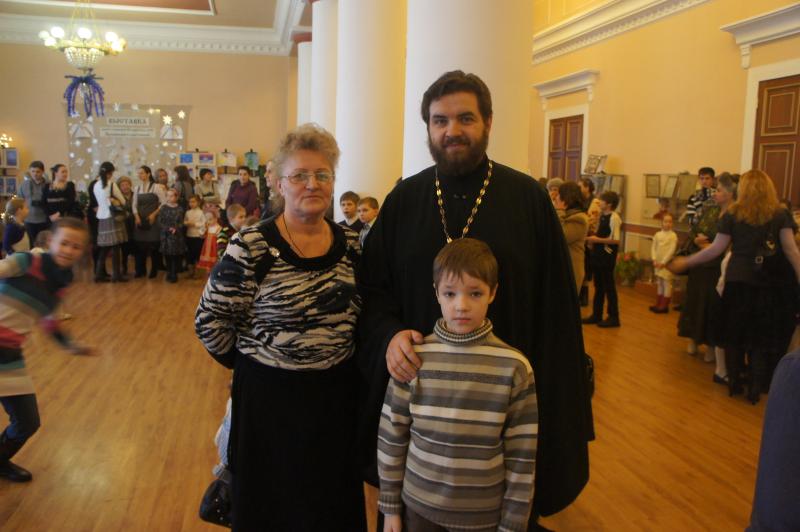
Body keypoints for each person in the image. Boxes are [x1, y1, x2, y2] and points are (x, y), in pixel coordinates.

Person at [358, 70, 593, 527]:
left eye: (465, 118)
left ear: (488, 122)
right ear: (428, 127)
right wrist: (388, 336)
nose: (452, 131)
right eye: (440, 120)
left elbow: (555, 311)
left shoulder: (527, 199)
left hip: (503, 415)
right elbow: (372, 290)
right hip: (423, 416)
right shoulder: (404, 200)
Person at [195, 123, 366, 531]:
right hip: (268, 404)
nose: (312, 184)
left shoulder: (351, 244)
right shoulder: (251, 246)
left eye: (322, 174)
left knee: (329, 507)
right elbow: (210, 321)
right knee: (272, 509)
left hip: (335, 400)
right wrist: (255, 361)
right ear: (278, 183)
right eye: (300, 175)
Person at [379, 238, 538, 532]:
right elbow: (392, 434)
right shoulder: (414, 358)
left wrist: (514, 522)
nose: (461, 306)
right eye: (450, 293)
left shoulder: (514, 367)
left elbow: (522, 454)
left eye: (475, 293)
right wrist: (390, 507)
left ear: (493, 293)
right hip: (419, 509)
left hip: (483, 515)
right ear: (436, 292)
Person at [669, 170, 800, 404]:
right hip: (767, 284)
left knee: (735, 335)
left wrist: (687, 261)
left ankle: (734, 383)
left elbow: (715, 249)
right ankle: (755, 387)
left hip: (738, 281)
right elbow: (791, 251)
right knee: (760, 338)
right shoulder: (780, 214)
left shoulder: (733, 214)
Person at [0, 217, 92, 482]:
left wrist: (70, 345)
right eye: (64, 243)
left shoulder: (62, 280)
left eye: (76, 246)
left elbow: (49, 319)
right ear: (51, 241)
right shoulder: (26, 261)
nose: (68, 250)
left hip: (10, 355)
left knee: (27, 422)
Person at [677, 174, 736, 375]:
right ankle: (693, 338)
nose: (715, 193)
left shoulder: (735, 215)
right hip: (700, 265)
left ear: (729, 194)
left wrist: (709, 247)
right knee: (695, 302)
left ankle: (711, 345)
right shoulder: (710, 210)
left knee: (712, 306)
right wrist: (697, 240)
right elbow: (695, 230)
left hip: (718, 268)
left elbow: (732, 244)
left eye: (719, 190)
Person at [583, 190, 622, 328]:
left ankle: (614, 316)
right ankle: (596, 314)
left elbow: (615, 240)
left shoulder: (614, 217)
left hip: (607, 257)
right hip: (599, 256)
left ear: (609, 204)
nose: (600, 203)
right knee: (598, 286)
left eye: (602, 201)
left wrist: (596, 240)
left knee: (609, 287)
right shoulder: (602, 216)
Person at [93, 162, 128, 283]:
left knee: (104, 248)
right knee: (116, 247)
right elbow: (123, 201)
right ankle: (116, 275)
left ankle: (98, 274)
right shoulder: (112, 184)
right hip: (113, 217)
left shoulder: (96, 185)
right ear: (110, 172)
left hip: (101, 218)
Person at [554, 181, 588, 294]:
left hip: (571, 270)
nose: (556, 198)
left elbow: (561, 236)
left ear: (566, 198)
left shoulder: (579, 218)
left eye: (559, 194)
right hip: (562, 268)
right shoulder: (568, 214)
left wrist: (559, 210)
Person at [132, 165, 166, 279]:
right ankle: (140, 270)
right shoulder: (137, 188)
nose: (140, 175)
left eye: (142, 173)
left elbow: (164, 203)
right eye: (139, 173)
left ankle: (154, 270)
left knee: (153, 246)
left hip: (153, 220)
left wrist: (154, 214)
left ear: (148, 174)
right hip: (140, 219)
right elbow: (134, 205)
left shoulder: (156, 187)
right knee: (140, 246)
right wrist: (136, 216)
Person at [649, 213, 678, 313]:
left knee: (666, 283)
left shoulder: (673, 235)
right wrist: (654, 259)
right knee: (660, 282)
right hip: (657, 263)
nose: (668, 223)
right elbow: (653, 247)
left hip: (667, 264)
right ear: (662, 222)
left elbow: (671, 250)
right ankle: (658, 303)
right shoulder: (657, 234)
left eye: (670, 221)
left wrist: (664, 262)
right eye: (665, 221)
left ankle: (664, 306)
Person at [579, 177, 601, 307]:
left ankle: (585, 296)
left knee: (587, 267)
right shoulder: (581, 200)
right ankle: (581, 294)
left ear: (587, 187)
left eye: (581, 186)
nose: (579, 189)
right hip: (583, 237)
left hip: (590, 238)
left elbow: (592, 220)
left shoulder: (595, 202)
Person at [158, 188, 186, 284]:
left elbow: (182, 222)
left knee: (174, 255)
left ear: (176, 197)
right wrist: (168, 228)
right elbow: (160, 221)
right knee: (167, 255)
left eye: (172, 196)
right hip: (165, 235)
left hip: (176, 235)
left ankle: (174, 273)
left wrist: (176, 228)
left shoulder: (180, 209)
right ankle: (169, 272)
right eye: (168, 196)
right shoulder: (163, 208)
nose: (169, 198)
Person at [18, 161, 50, 245]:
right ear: (30, 171)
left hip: (44, 219)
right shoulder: (23, 185)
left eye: (38, 171)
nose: (35, 174)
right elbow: (20, 201)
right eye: (33, 171)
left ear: (42, 172)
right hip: (29, 219)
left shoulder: (48, 185)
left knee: (44, 244)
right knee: (31, 244)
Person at [117, 176, 136, 277]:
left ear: (130, 185)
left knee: (136, 247)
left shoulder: (135, 195)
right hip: (124, 226)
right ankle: (124, 268)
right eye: (122, 185)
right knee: (124, 249)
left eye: (127, 184)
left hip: (135, 224)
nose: (125, 187)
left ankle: (138, 269)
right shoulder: (118, 198)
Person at [184, 195, 206, 279]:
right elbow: (185, 221)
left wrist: (194, 224)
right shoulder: (187, 212)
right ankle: (190, 271)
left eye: (193, 202)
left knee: (197, 254)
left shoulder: (201, 212)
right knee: (189, 254)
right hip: (189, 235)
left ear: (198, 202)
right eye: (190, 202)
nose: (191, 204)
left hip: (198, 236)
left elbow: (204, 224)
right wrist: (186, 223)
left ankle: (197, 271)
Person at [197, 208, 221, 273]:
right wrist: (203, 229)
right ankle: (208, 273)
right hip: (207, 248)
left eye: (210, 219)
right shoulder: (207, 227)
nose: (208, 221)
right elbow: (201, 236)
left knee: (214, 264)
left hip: (214, 249)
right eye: (207, 219)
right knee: (208, 266)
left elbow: (220, 240)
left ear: (216, 219)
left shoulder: (218, 228)